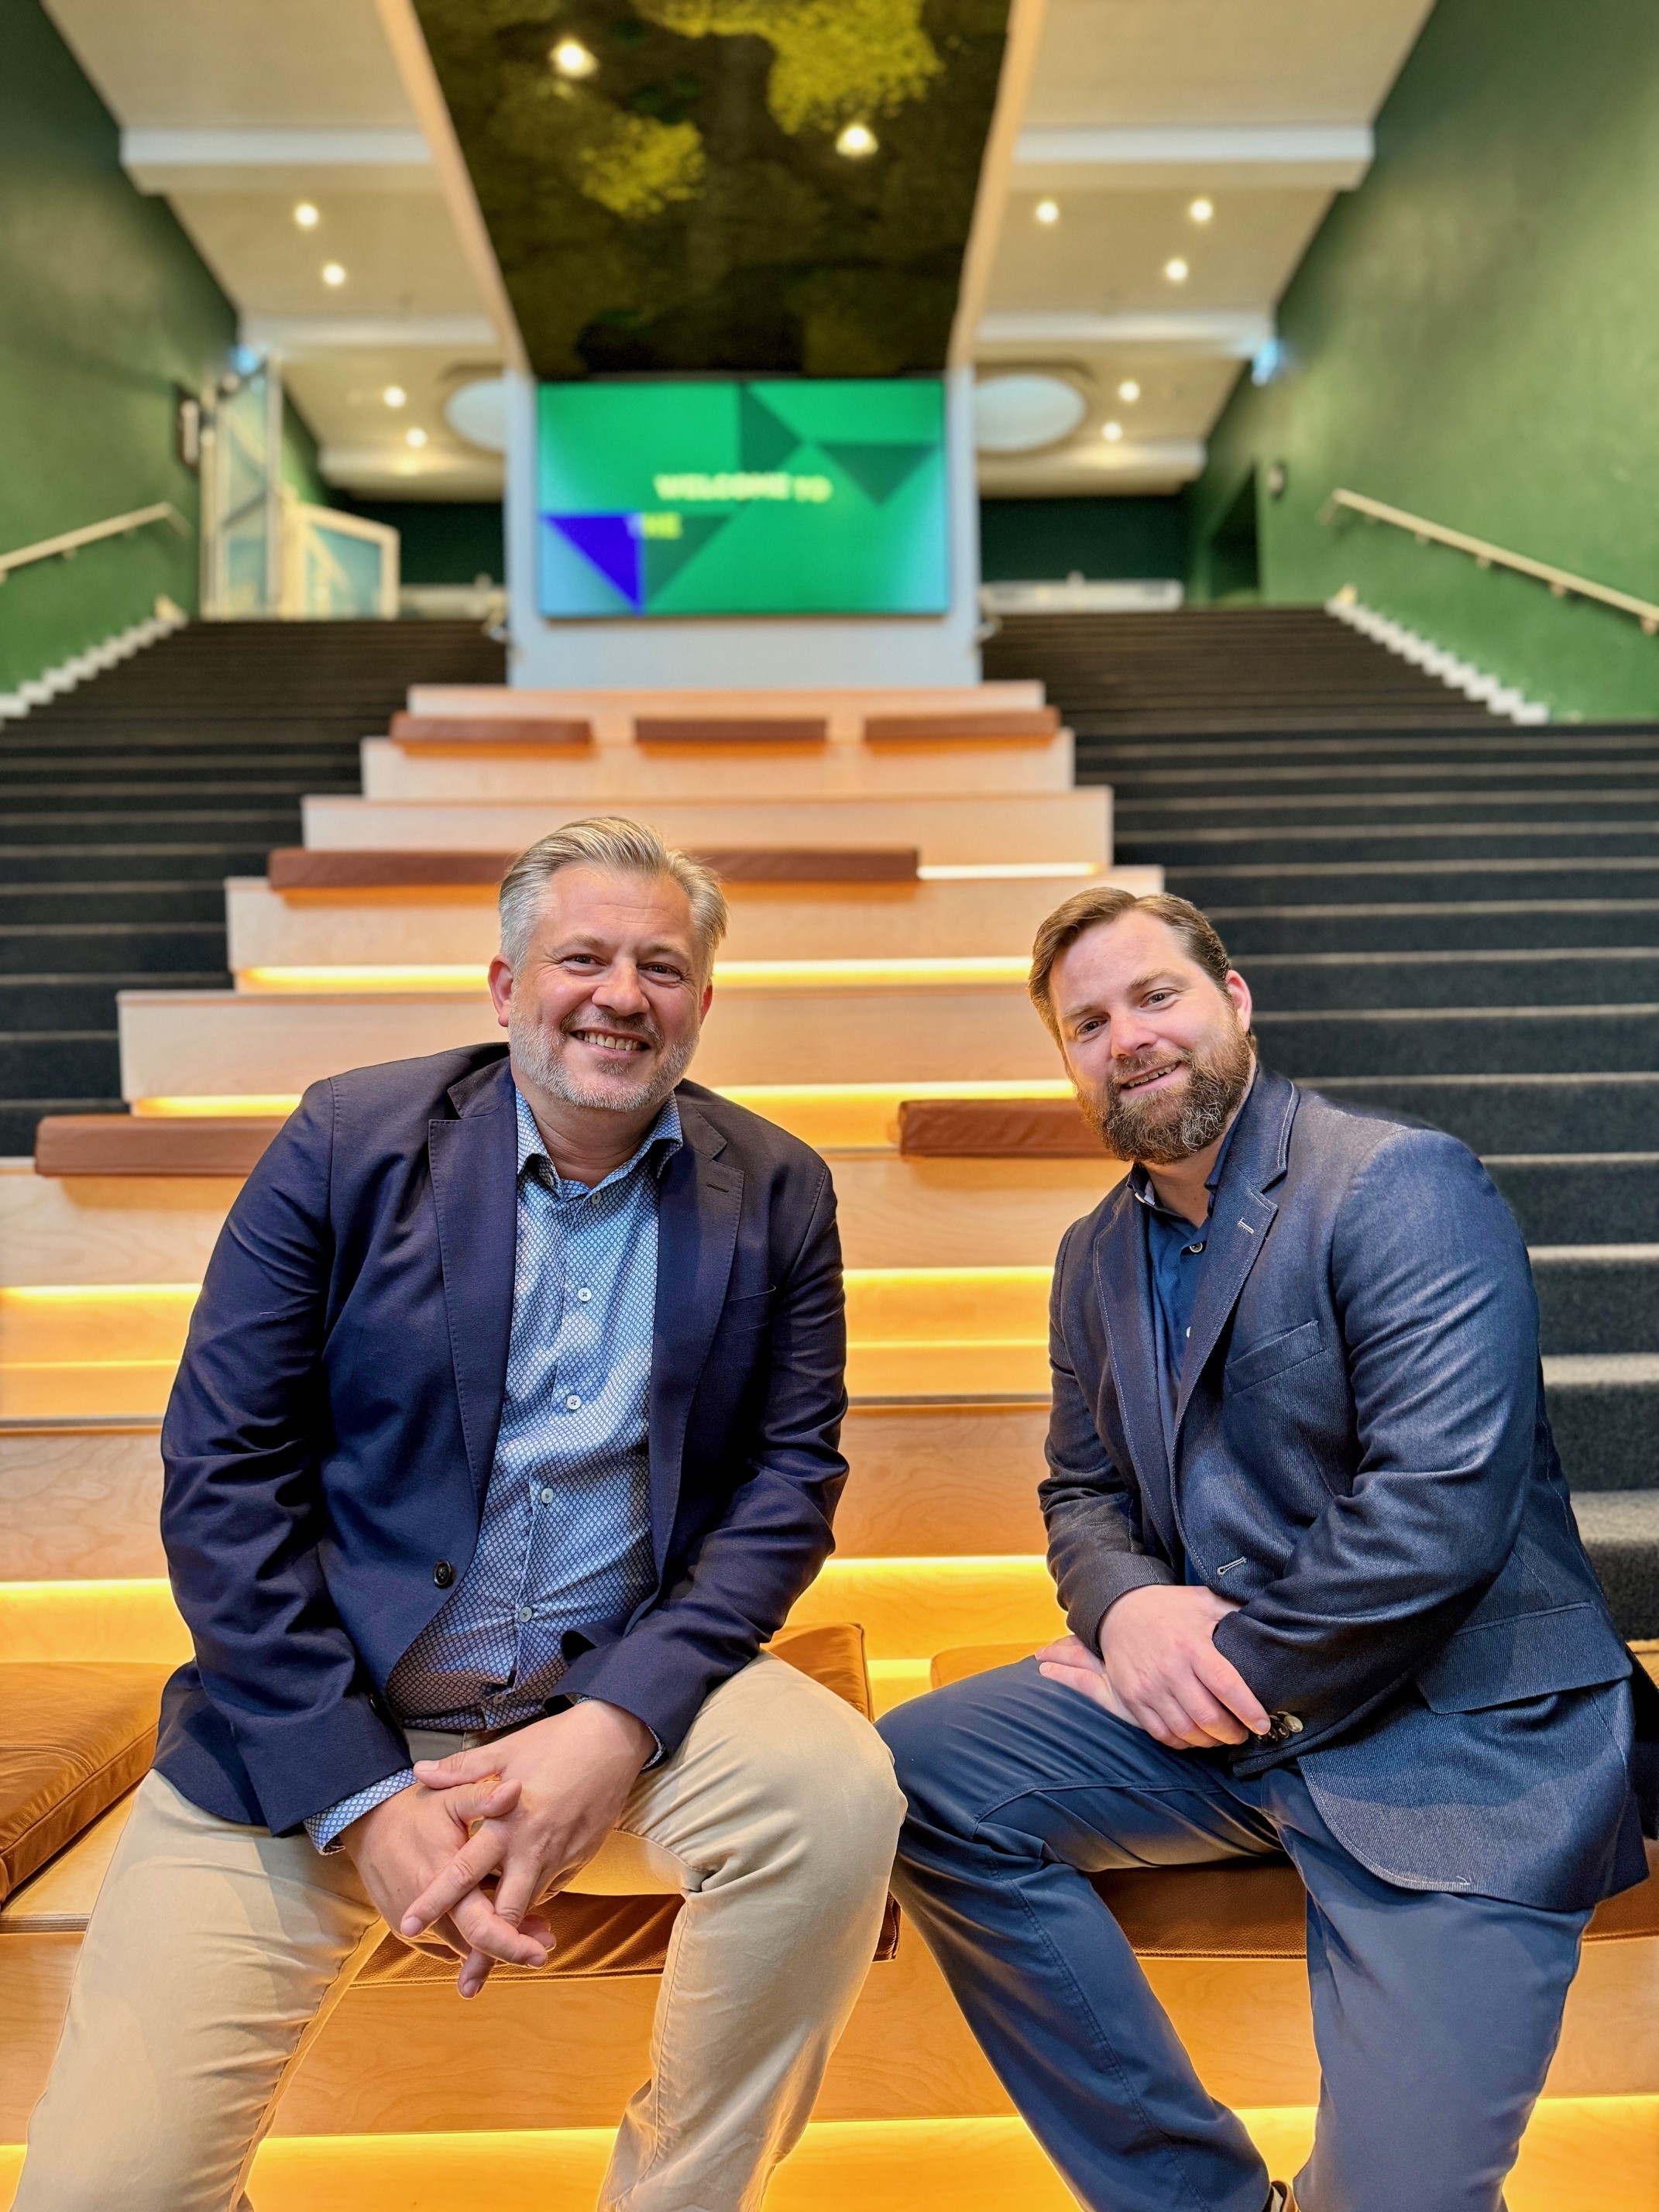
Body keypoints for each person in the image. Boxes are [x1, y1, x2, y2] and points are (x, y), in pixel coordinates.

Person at [19, 815, 904, 2212]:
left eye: (662, 968)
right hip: (328, 1717)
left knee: (838, 1791)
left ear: (701, 1004)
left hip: (617, 1697)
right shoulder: (345, 1140)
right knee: (99, 2196)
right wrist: (364, 1801)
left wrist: (614, 1724)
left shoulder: (779, 1186)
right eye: (583, 958)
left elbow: (788, 1485)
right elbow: (223, 1474)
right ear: (505, 987)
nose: (621, 996)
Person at [878, 884, 1654, 2212]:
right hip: (1223, 1720)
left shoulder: (1397, 1182)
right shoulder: (1089, 1256)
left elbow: (1436, 1510)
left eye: (1155, 996)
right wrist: (1126, 1616)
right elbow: (1080, 1491)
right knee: (908, 1778)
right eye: (1085, 1024)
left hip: (1452, 1732)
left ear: (1233, 1001)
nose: (1125, 1038)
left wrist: (1210, 1672)